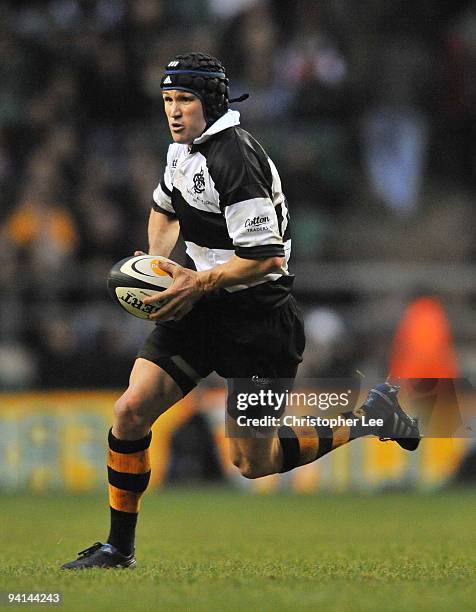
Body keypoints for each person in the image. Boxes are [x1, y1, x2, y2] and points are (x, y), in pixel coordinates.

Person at [61, 52, 420, 570]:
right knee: (130, 411)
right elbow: (164, 209)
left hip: (259, 318)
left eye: (184, 100)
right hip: (201, 306)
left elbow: (265, 258)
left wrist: (194, 279)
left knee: (254, 462)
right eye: (167, 100)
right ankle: (119, 547)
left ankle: (369, 418)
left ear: (210, 103)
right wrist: (160, 265)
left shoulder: (234, 159)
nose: (174, 111)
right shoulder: (183, 150)